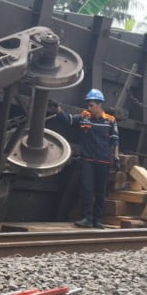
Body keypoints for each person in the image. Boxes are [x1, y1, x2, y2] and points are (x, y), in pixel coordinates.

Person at [55, 88, 119, 229]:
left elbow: (115, 140)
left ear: (99, 104)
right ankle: (87, 219)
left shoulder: (110, 120)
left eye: (91, 105)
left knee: (101, 191)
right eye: (88, 104)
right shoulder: (84, 117)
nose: (88, 107)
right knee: (87, 189)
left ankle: (97, 220)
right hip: (88, 160)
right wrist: (57, 109)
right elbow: (68, 120)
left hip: (104, 161)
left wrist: (116, 158)